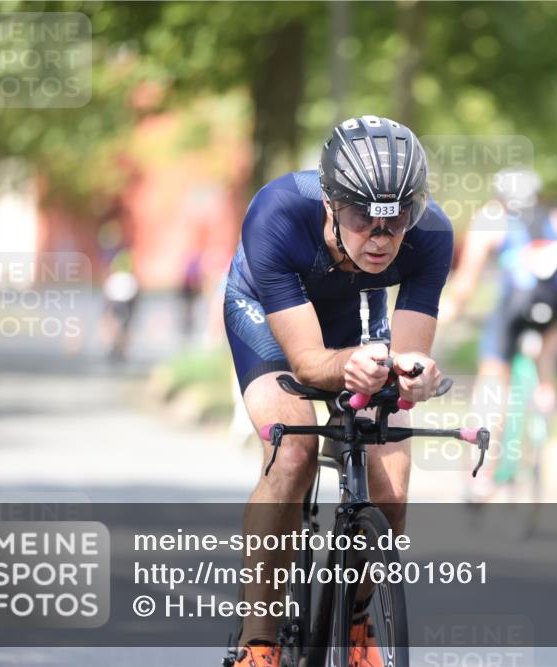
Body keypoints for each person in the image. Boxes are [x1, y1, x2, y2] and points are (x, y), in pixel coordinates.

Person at [223, 116, 453, 667]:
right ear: (330, 203)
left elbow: (411, 353)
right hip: (272, 322)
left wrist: (413, 375)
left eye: (398, 220)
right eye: (363, 219)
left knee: (391, 487)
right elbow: (307, 361)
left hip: (356, 323)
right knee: (293, 453)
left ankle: (355, 622)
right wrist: (350, 365)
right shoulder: (278, 212)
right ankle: (259, 641)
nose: (382, 238)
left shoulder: (434, 234)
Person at [440, 168, 557, 499]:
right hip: (553, 308)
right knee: (545, 343)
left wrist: (447, 315)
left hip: (514, 307)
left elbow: (466, 283)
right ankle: (545, 394)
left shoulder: (490, 219)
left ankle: (482, 473)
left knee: (492, 384)